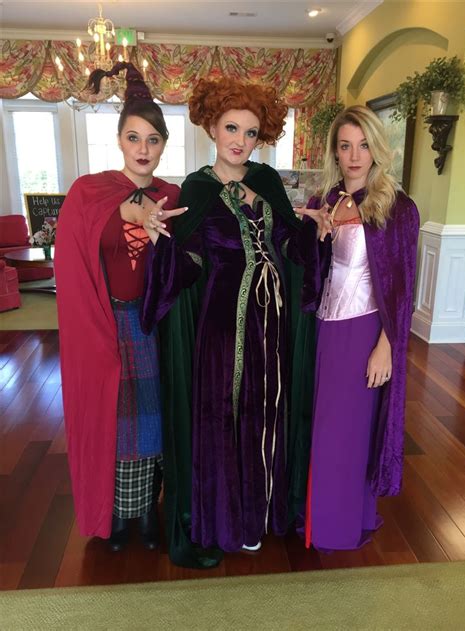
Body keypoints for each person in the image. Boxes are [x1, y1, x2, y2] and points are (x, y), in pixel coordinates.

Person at [142, 77, 314, 555]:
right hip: (221, 326)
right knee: (226, 416)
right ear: (212, 128)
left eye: (252, 132)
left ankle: (261, 513)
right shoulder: (194, 190)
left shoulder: (266, 181)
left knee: (267, 414)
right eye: (231, 128)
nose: (240, 141)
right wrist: (160, 240)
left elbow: (291, 250)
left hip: (272, 324)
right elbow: (185, 264)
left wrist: (313, 230)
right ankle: (226, 516)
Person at [55, 62, 186, 552]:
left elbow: (189, 264)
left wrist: (163, 240)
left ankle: (146, 514)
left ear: (163, 144)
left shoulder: (173, 196)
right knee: (112, 421)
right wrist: (129, 211)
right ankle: (113, 514)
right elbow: (74, 253)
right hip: (103, 322)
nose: (144, 149)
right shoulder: (90, 192)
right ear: (119, 141)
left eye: (153, 140)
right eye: (135, 138)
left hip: (151, 323)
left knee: (150, 421)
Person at [296, 105, 420, 551]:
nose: (354, 156)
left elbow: (402, 287)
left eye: (363, 145)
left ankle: (341, 525)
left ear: (376, 149)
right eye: (345, 146)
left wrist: (387, 345)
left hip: (365, 331)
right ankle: (316, 519)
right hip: (323, 330)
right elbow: (309, 278)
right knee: (322, 427)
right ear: (335, 151)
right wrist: (316, 238)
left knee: (349, 431)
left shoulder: (397, 207)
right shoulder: (322, 202)